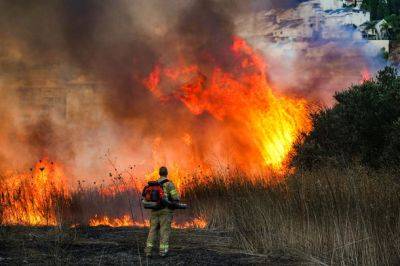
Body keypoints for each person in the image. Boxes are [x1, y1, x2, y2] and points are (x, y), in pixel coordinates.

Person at [145, 166, 180, 258]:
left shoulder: (153, 184)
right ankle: (163, 252)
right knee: (164, 231)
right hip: (165, 212)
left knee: (152, 230)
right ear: (166, 173)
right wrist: (175, 200)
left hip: (154, 211)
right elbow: (175, 197)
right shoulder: (169, 184)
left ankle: (148, 251)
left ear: (159, 173)